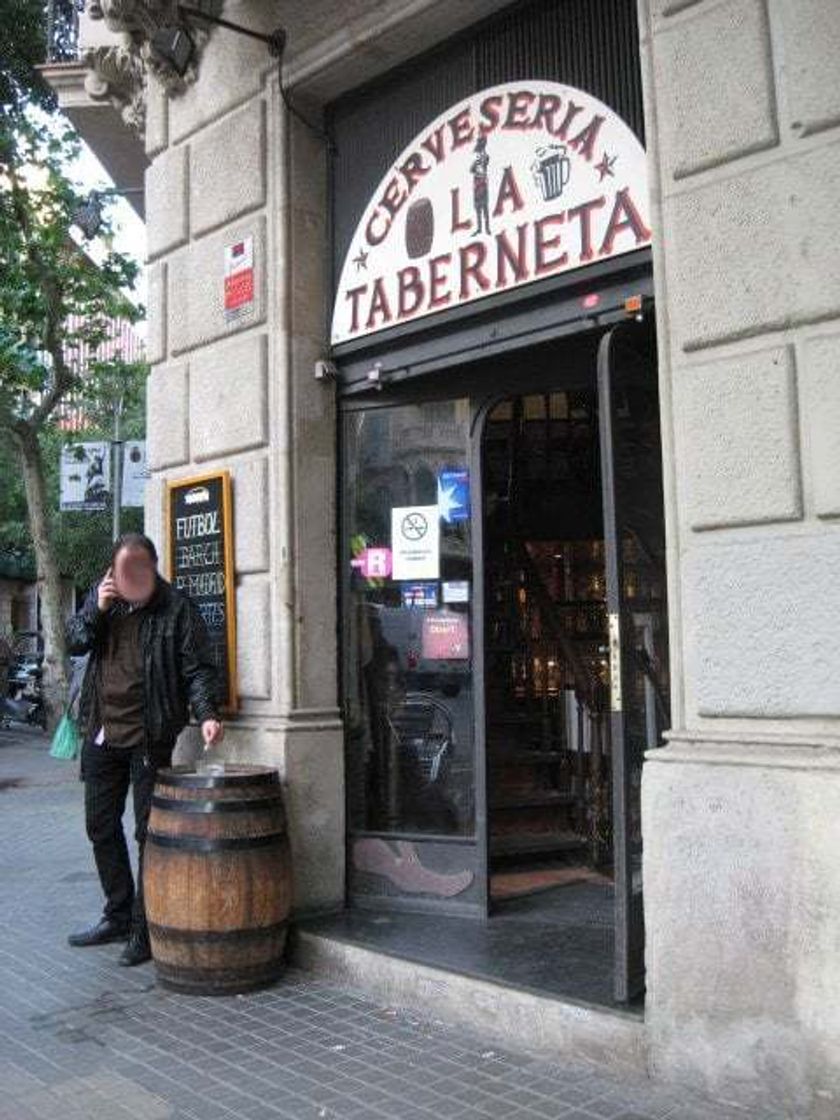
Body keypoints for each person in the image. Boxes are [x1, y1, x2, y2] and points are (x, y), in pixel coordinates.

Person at [65, 532, 223, 966]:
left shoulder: (177, 608)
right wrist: (96, 609)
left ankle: (144, 927)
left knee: (147, 834)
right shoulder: (103, 601)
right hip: (102, 730)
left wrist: (207, 713)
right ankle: (117, 913)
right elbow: (75, 642)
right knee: (100, 825)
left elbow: (199, 669)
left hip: (149, 734)